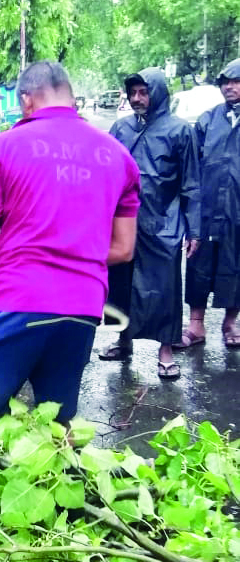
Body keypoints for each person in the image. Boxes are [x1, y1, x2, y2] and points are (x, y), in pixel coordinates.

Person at [0, 61, 140, 542]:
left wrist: (31, 243)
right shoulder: (117, 156)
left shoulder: (4, 147)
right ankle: (57, 534)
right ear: (68, 93)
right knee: (58, 417)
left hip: (19, 299)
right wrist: (73, 246)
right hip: (83, 306)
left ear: (27, 99)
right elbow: (123, 249)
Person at [99, 68, 200, 380]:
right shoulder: (121, 128)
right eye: (133, 93)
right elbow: (104, 175)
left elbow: (192, 183)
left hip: (163, 223)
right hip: (123, 222)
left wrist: (192, 227)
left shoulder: (179, 131)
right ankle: (122, 340)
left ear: (157, 92)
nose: (137, 99)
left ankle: (165, 351)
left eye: (143, 92)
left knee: (164, 289)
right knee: (120, 284)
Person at [176, 59, 240, 350]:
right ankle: (196, 326)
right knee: (199, 265)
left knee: (236, 263)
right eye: (225, 81)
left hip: (237, 211)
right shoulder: (207, 120)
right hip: (207, 208)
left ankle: (230, 323)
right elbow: (190, 169)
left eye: (236, 81)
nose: (229, 86)